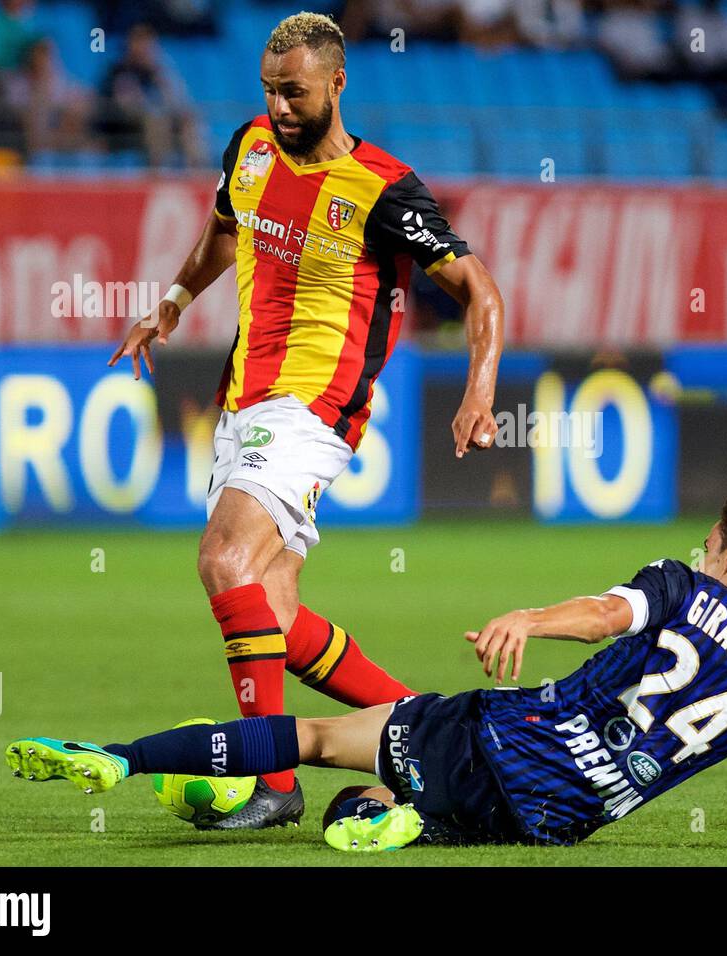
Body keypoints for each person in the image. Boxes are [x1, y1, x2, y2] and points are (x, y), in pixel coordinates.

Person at [7, 487, 727, 855]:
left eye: (709, 538)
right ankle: (399, 816)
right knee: (388, 781)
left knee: (323, 739)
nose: (699, 547)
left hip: (503, 736)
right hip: (557, 818)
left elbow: (609, 612)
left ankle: (122, 755)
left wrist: (525, 614)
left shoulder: (679, 585)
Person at [104, 12, 504, 828]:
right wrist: (174, 301)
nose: (280, 107)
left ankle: (275, 779)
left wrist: (479, 391)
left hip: (313, 408)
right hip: (245, 398)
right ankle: (426, 728)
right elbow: (225, 227)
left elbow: (480, 292)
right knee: (275, 616)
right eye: (269, 90)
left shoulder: (384, 189)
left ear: (337, 84)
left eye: (294, 92)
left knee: (223, 559)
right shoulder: (250, 147)